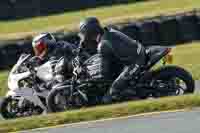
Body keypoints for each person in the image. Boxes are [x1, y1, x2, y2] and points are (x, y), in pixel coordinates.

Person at [78, 17, 147, 103]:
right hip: (135, 51)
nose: (83, 36)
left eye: (84, 33)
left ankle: (134, 99)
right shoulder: (107, 31)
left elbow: (104, 74)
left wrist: (91, 78)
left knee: (111, 93)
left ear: (89, 32)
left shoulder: (103, 45)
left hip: (135, 61)